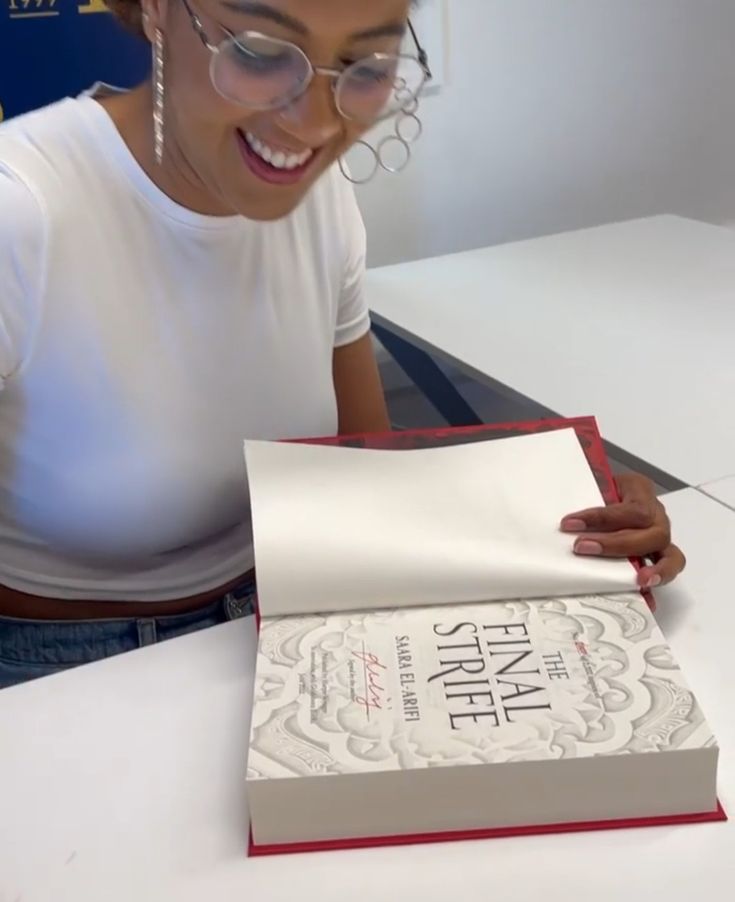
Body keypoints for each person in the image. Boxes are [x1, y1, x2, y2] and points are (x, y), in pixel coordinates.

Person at [0, 0, 685, 690]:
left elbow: (366, 480)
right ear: (155, 10)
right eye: (262, 54)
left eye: (365, 65)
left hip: (293, 611)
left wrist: (566, 515)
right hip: (65, 666)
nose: (317, 123)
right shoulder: (21, 212)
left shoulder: (315, 194)